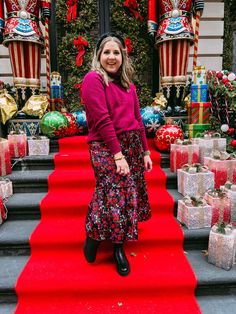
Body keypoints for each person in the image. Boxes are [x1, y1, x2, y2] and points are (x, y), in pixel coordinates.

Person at [82, 33, 152, 276]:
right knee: (111, 192)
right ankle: (93, 235)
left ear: (123, 56)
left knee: (125, 195)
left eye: (116, 52)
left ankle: (118, 248)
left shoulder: (128, 86)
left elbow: (138, 120)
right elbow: (102, 120)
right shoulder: (93, 80)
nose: (111, 57)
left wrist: (145, 150)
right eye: (107, 52)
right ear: (99, 56)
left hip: (131, 145)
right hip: (105, 146)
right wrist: (117, 154)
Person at [148, 0, 204, 114]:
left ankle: (178, 104)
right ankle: (168, 104)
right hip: (165, 26)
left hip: (184, 26)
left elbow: (195, 10)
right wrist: (152, 27)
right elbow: (152, 5)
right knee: (166, 70)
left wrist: (198, 4)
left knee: (180, 70)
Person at [0, 0, 51, 104]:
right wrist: (0, 26)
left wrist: (46, 10)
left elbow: (45, 5)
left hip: (33, 26)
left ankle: (34, 103)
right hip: (13, 27)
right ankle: (21, 102)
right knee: (19, 71)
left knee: (33, 73)